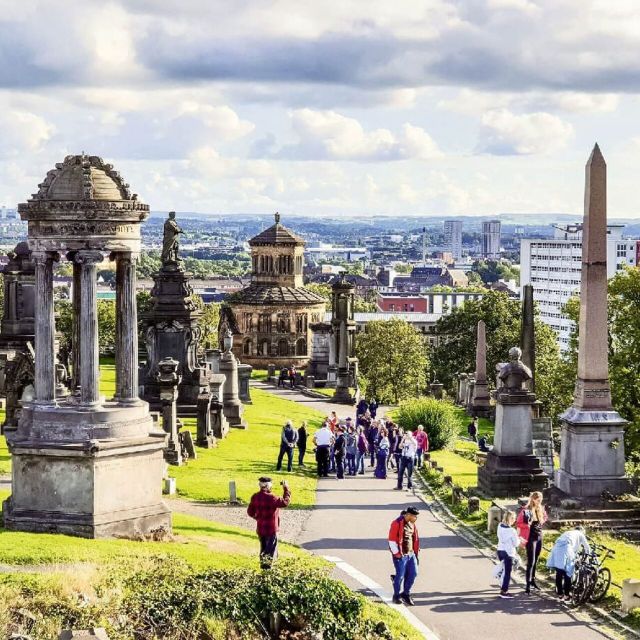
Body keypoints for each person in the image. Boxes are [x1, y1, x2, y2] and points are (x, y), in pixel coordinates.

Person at [247, 477, 291, 569]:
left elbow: (250, 512)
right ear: (268, 486)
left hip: (260, 529)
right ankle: (269, 571)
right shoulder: (272, 498)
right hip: (271, 529)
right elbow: (285, 502)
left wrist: (258, 518)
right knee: (271, 552)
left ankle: (263, 569)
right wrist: (286, 488)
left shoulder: (255, 496)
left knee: (263, 550)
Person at [546, 525, 590, 602]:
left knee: (559, 572)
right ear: (582, 531)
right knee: (568, 573)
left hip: (557, 549)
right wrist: (587, 555)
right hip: (566, 550)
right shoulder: (580, 534)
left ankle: (560, 594)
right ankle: (566, 595)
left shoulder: (568, 532)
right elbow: (587, 547)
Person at [517, 491, 548, 594]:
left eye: (541, 500)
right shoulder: (526, 510)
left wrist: (542, 520)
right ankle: (527, 584)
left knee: (537, 559)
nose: (540, 502)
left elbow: (545, 518)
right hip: (530, 537)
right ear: (533, 499)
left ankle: (533, 580)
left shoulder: (541, 508)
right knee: (531, 561)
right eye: (538, 500)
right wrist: (527, 525)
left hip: (539, 535)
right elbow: (519, 523)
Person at [388, 507, 420, 605]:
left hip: (411, 554)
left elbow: (415, 538)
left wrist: (415, 552)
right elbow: (392, 540)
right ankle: (396, 596)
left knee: (413, 573)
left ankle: (405, 594)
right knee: (400, 575)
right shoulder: (397, 523)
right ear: (408, 515)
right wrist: (397, 554)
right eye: (414, 516)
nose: (416, 518)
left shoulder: (412, 524)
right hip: (401, 555)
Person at [496, 510, 520, 599]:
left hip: (500, 550)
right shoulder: (512, 530)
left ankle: (502, 584)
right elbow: (516, 543)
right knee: (507, 573)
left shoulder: (499, 526)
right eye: (514, 518)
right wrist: (519, 538)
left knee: (504, 570)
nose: (514, 520)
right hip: (508, 553)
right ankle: (504, 591)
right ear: (511, 519)